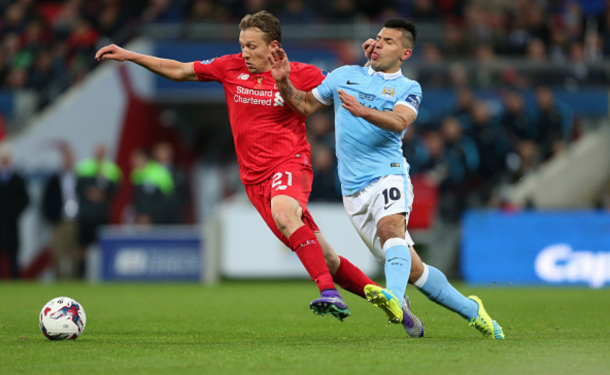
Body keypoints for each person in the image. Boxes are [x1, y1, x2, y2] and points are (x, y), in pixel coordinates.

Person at [94, 11, 424, 335]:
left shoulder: (302, 73)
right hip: (254, 179)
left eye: (252, 46)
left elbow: (350, 84)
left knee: (285, 214)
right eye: (242, 45)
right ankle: (388, 302)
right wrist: (129, 55)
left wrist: (370, 65)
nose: (245, 53)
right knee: (327, 258)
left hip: (290, 164)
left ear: (272, 46)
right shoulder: (229, 67)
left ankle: (328, 293)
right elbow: (179, 70)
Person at [270, 18, 505, 339]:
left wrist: (364, 111)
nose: (379, 44)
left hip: (388, 173)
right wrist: (284, 83)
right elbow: (305, 105)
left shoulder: (409, 88)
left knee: (390, 228)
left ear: (405, 53)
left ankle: (394, 298)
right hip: (352, 191)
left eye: (389, 41)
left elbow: (399, 121)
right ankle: (472, 310)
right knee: (414, 269)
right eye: (378, 38)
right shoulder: (344, 75)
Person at [75, 144, 122, 278]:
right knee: (82, 247)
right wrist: (90, 192)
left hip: (101, 215)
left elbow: (116, 190)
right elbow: (78, 188)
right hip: (85, 215)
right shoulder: (84, 167)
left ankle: (103, 275)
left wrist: (102, 193)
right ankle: (81, 276)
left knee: (102, 247)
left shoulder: (111, 169)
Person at [41, 144, 79, 279]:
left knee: (74, 251)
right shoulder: (55, 178)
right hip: (59, 220)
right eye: (66, 158)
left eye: (70, 158)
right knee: (57, 251)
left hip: (75, 220)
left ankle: (74, 279)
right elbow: (47, 200)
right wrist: (51, 217)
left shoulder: (79, 178)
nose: (68, 160)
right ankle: (59, 279)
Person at [0, 147, 29, 279]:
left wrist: (14, 211)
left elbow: (25, 199)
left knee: (13, 254)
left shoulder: (17, 179)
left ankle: (15, 279)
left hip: (12, 223)